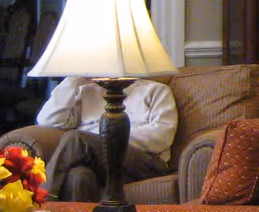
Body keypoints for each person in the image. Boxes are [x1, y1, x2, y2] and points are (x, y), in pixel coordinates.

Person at [35, 74, 177, 202]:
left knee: (76, 139)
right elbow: (48, 120)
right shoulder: (86, 91)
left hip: (144, 162)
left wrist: (99, 140)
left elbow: (162, 136)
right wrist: (75, 78)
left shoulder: (156, 90)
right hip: (101, 163)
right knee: (78, 176)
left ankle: (41, 201)